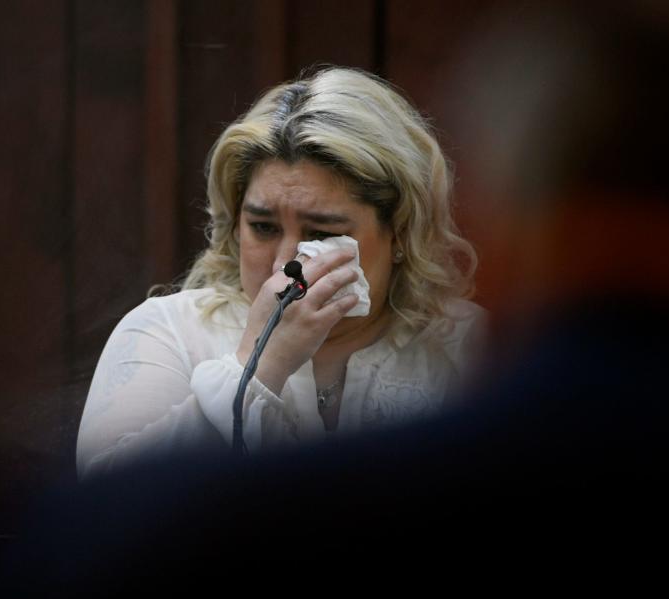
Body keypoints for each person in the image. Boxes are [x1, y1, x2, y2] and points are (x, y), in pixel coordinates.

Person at [76, 67, 487, 478]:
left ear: (399, 233)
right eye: (264, 227)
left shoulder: (469, 346)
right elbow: (107, 509)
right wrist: (260, 364)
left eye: (322, 233)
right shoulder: (169, 332)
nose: (282, 264)